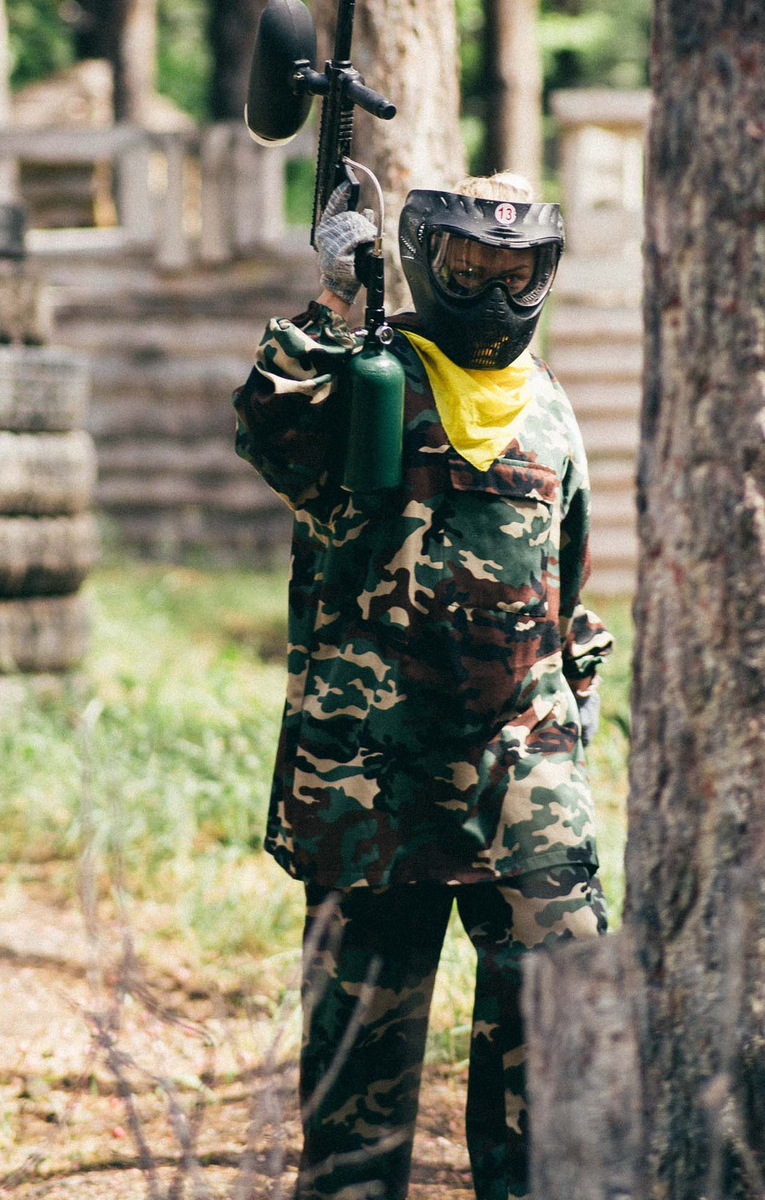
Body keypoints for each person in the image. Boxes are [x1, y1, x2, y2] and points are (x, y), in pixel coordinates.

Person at [233, 171, 610, 1200]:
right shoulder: (369, 379)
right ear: (424, 260)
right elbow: (269, 434)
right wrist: (331, 301)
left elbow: (566, 573)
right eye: (469, 270)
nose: (491, 295)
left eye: (514, 273)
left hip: (521, 773)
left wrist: (571, 681)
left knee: (559, 1027)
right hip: (374, 771)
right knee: (363, 1055)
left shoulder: (547, 406)